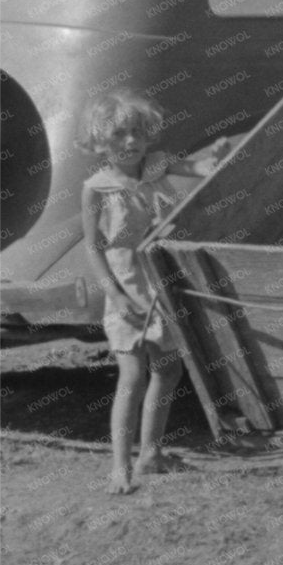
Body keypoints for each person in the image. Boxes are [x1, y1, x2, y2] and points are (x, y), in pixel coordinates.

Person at [77, 92, 231, 494]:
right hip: (126, 285)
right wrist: (115, 293)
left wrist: (214, 157)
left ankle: (152, 453)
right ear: (99, 142)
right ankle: (119, 467)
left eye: (137, 134)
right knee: (131, 374)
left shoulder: (157, 164)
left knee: (168, 369)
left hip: (163, 280)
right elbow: (93, 246)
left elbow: (197, 167)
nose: (130, 143)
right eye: (119, 136)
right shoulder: (97, 188)